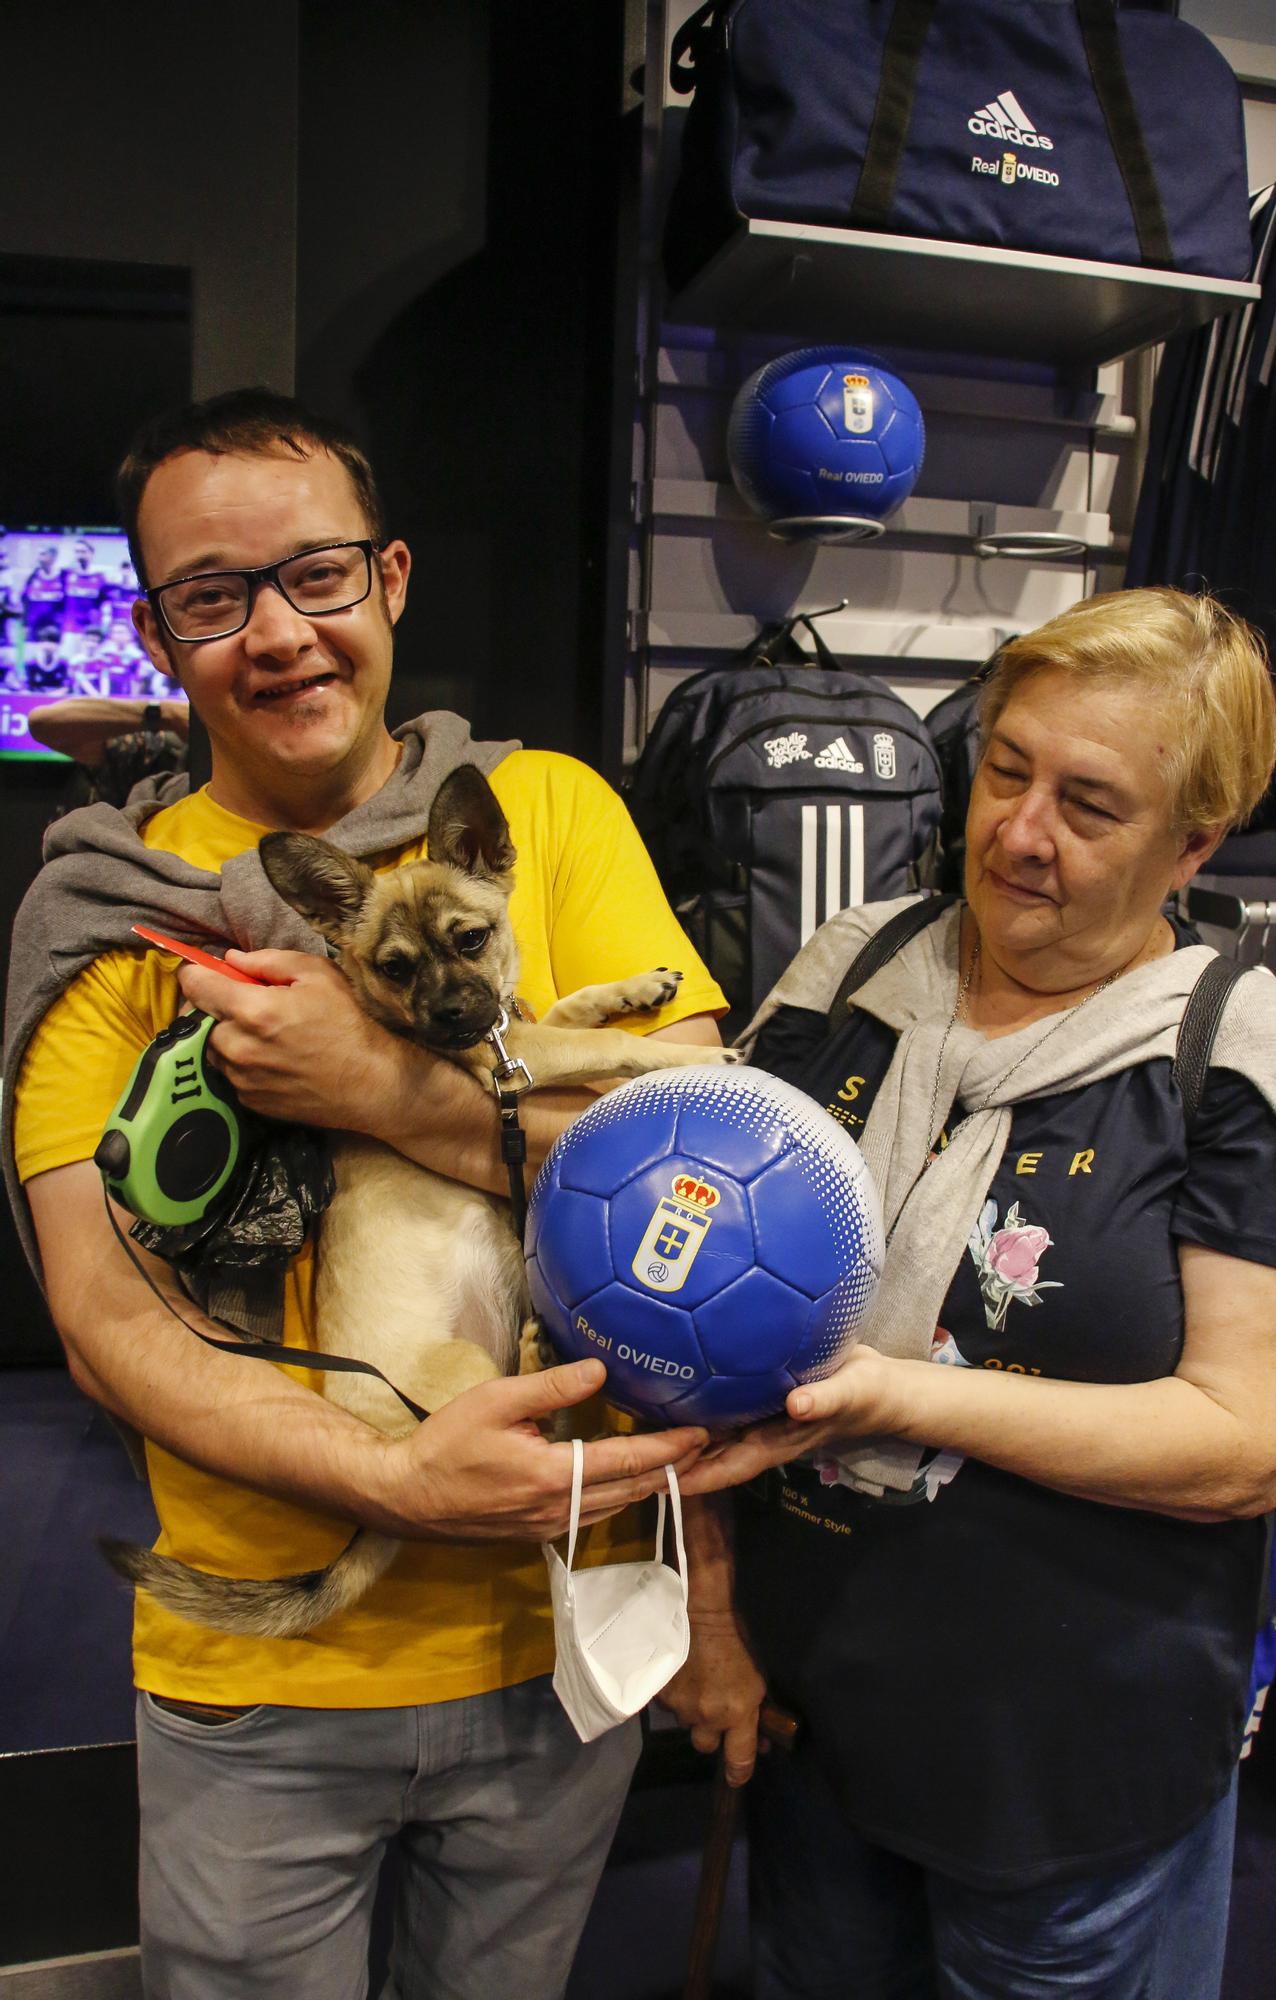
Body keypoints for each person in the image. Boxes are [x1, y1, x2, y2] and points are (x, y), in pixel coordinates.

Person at [3, 388, 727, 2000]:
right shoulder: (103, 910)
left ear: (390, 578)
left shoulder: (545, 815)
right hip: (264, 1666)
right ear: (154, 634)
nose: (276, 633)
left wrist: (376, 1087)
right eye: (212, 594)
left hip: (564, 1630)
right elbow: (102, 1319)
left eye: (316, 575)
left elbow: (704, 1163)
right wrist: (395, 1484)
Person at [666, 588, 1276, 2000]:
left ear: (1192, 844)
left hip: (1069, 1792)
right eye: (1007, 768)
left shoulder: (1220, 1052)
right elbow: (690, 1333)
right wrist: (714, 1623)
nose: (1017, 832)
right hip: (815, 1739)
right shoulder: (846, 974)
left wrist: (900, 1394)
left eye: (1088, 805)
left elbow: (1243, 1444)